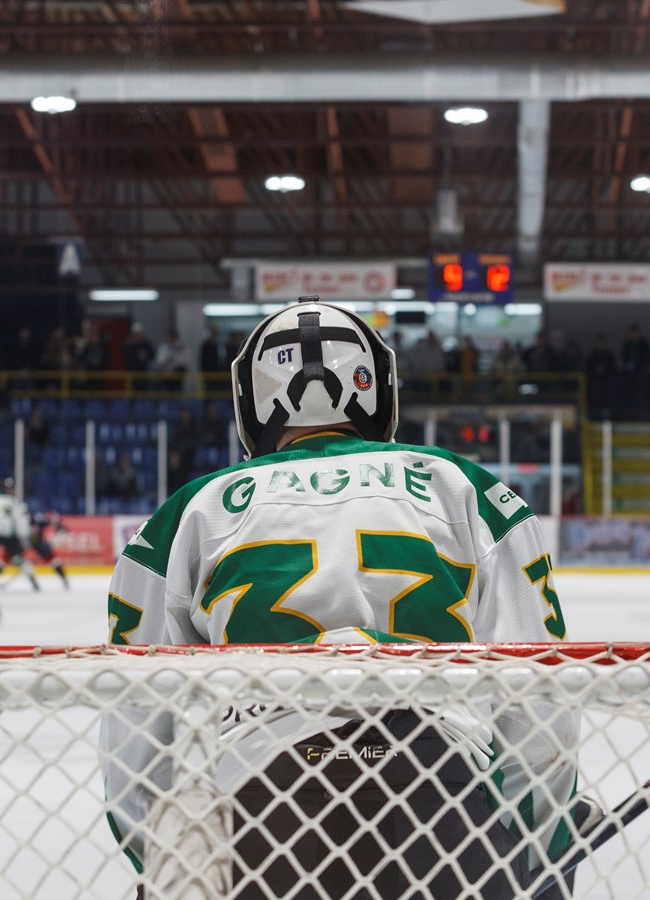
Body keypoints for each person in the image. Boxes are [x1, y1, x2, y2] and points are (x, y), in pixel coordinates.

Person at [100, 297, 583, 899]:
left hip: (252, 798)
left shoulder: (187, 511)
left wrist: (165, 867)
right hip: (438, 790)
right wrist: (539, 844)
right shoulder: (466, 487)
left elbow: (137, 727)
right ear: (379, 387)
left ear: (250, 399)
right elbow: (536, 692)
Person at [0, 477, 40, 592]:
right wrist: (25, 539)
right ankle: (34, 582)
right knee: (18, 558)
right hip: (5, 533)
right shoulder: (15, 503)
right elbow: (21, 522)